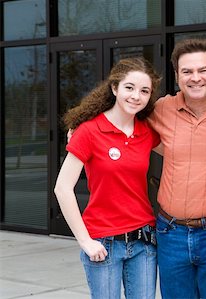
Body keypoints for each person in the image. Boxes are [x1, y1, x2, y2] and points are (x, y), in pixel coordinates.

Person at [54, 57, 161, 299]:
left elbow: (183, 150)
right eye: (129, 88)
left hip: (144, 242)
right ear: (114, 88)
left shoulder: (147, 132)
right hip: (103, 242)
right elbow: (62, 188)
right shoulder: (89, 131)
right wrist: (85, 241)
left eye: (144, 91)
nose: (136, 96)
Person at [149, 39, 206, 299]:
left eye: (202, 70)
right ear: (177, 76)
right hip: (171, 233)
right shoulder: (161, 109)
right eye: (187, 72)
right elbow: (123, 116)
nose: (195, 78)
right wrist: (82, 124)